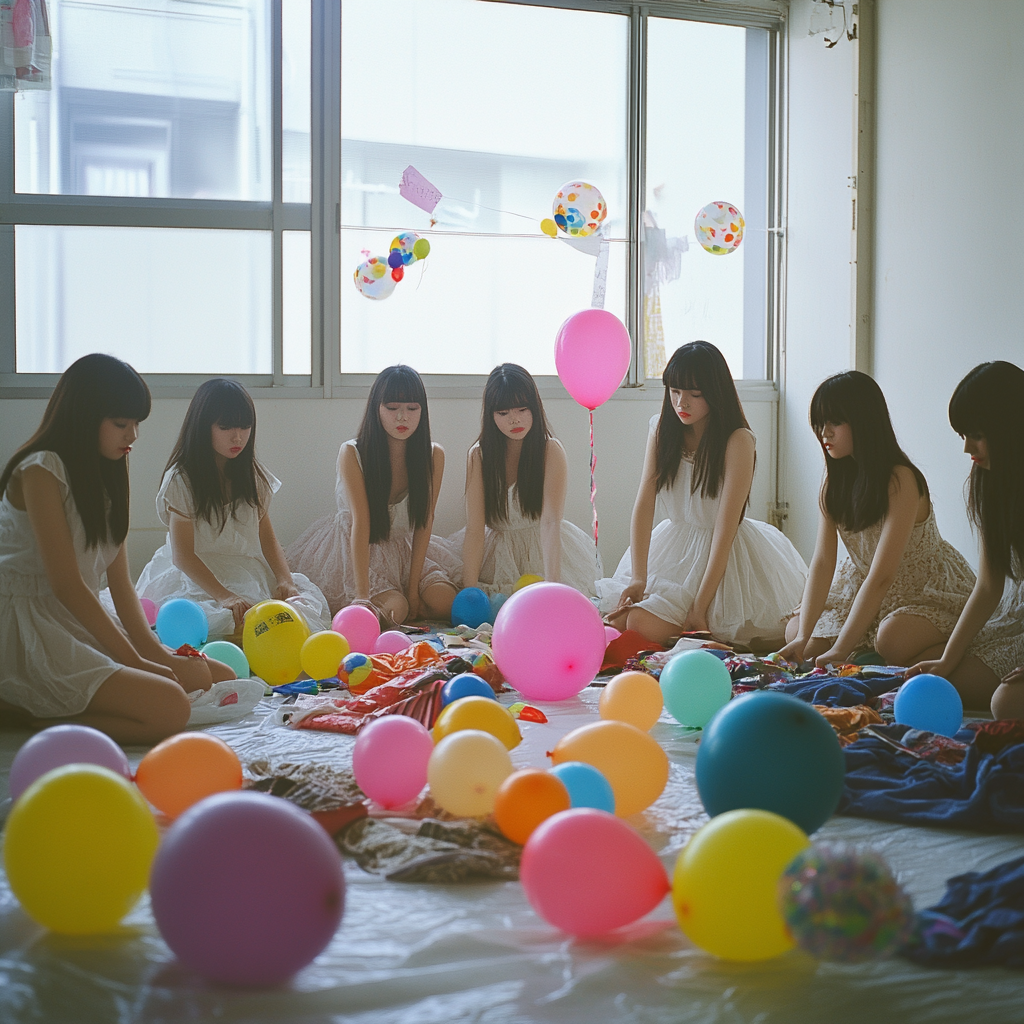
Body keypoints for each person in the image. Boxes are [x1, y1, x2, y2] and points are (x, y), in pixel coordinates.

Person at [0, 354, 232, 744]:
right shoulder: (40, 470)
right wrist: (134, 662)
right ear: (84, 417)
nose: (133, 436)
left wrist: (153, 654)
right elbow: (66, 585)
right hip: (29, 623)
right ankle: (27, 717)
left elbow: (120, 584)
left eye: (136, 424)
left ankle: (55, 705)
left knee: (216, 676)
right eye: (121, 424)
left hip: (73, 615)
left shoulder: (108, 467)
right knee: (170, 707)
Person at [780, 370, 992, 690]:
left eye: (834, 422)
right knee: (797, 637)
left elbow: (883, 575)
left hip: (924, 588)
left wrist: (841, 649)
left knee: (892, 640)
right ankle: (868, 652)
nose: (824, 433)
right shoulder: (834, 483)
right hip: (863, 585)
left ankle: (926, 655)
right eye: (818, 424)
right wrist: (804, 636)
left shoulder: (900, 478)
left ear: (863, 422)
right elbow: (823, 564)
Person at [599, 341, 807, 647]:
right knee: (619, 620)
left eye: (695, 395)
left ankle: (706, 636)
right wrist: (638, 578)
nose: (682, 403)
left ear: (715, 393)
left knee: (641, 623)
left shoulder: (738, 441)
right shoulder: (662, 430)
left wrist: (700, 606)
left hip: (724, 556)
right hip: (674, 547)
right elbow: (644, 503)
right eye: (675, 391)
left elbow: (725, 530)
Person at [133, 378, 329, 638]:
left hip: (244, 569)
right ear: (204, 426)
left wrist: (285, 579)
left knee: (288, 616)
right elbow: (183, 556)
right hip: (194, 574)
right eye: (225, 427)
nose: (238, 437)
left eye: (245, 426)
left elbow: (268, 538)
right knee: (220, 622)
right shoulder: (182, 480)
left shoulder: (252, 477)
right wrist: (225, 596)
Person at [286, 364, 459, 624]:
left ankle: (403, 598)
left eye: (412, 408)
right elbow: (361, 524)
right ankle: (376, 604)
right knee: (395, 609)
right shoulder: (353, 453)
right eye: (392, 408)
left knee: (447, 602)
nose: (402, 417)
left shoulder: (434, 455)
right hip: (356, 546)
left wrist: (413, 591)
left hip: (402, 547)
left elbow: (424, 523)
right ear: (376, 408)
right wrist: (362, 595)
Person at [907, 362, 1024, 716]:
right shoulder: (991, 481)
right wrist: (945, 659)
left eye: (975, 434)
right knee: (928, 670)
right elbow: (989, 586)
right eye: (962, 436)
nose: (967, 449)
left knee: (1004, 703)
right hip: (1017, 616)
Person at [449, 363, 600, 597]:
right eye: (503, 413)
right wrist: (469, 591)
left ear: (534, 408)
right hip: (496, 552)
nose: (514, 420)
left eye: (522, 409)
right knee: (490, 608)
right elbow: (475, 530)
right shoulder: (479, 455)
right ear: (491, 416)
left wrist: (553, 586)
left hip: (541, 549)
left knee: (543, 605)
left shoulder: (550, 451)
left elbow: (550, 523)